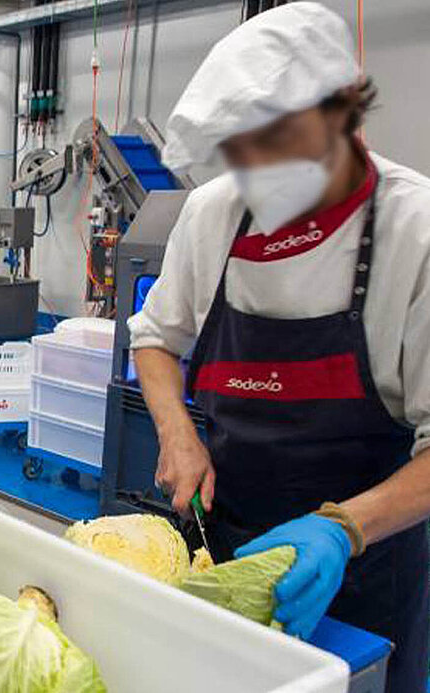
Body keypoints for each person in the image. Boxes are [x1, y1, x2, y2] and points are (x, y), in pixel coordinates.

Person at [129, 4, 430, 690]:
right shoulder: (215, 215)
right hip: (228, 549)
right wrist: (177, 432)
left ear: (341, 114)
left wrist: (341, 529)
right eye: (242, 152)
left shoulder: (417, 234)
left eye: (277, 146)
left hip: (363, 574)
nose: (256, 173)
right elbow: (155, 336)